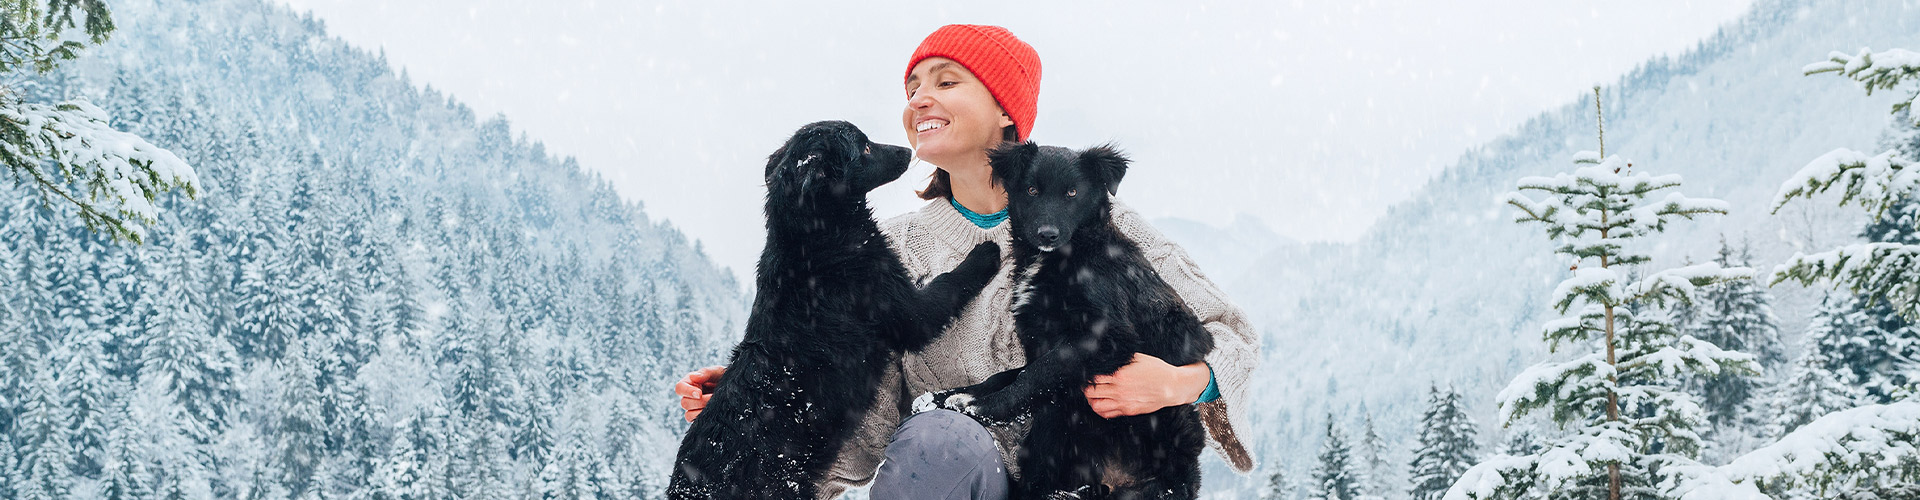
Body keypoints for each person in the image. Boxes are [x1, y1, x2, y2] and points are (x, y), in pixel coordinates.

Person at [673, 24, 1258, 499]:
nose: (919, 99)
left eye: (946, 82)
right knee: (939, 438)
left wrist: (1182, 384)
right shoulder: (892, 248)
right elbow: (864, 416)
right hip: (970, 481)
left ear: (1006, 112)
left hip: (1098, 475)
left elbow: (1232, 337)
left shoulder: (1102, 226)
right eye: (912, 88)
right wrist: (764, 402)